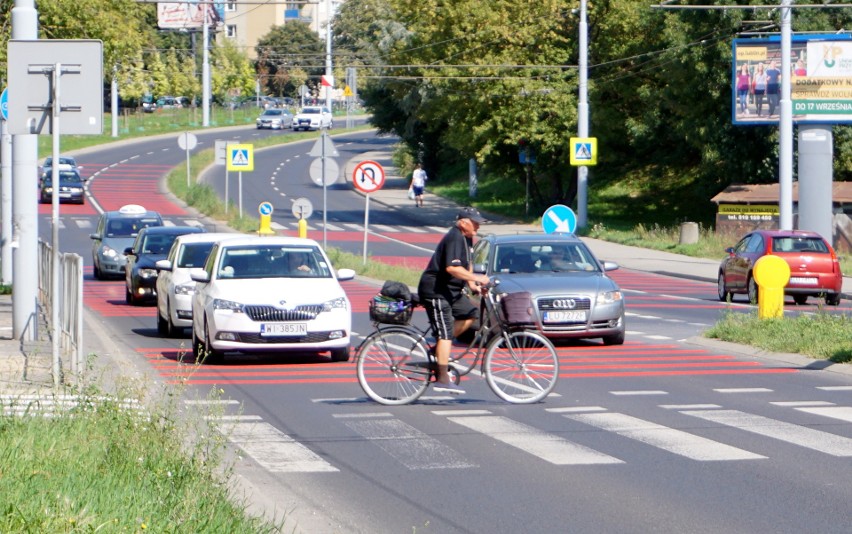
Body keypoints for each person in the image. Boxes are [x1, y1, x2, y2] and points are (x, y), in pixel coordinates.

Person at [417, 207, 490, 394]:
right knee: (446, 333)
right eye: (475, 222)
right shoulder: (455, 237)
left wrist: (473, 284)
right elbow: (452, 268)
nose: (477, 225)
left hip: (451, 290)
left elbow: (467, 264)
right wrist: (479, 279)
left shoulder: (467, 238)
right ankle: (442, 379)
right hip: (436, 291)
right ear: (463, 222)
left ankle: (438, 351)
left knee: (471, 314)